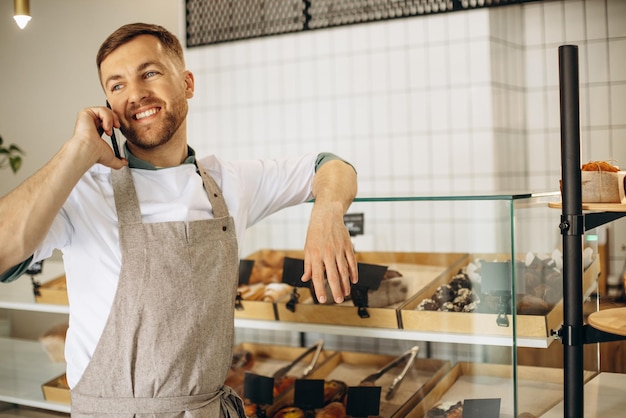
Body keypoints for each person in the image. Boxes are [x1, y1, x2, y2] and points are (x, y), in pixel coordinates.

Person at [0, 23, 358, 417]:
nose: (135, 95)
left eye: (149, 73)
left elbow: (329, 165)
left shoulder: (228, 180)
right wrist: (78, 150)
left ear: (187, 83)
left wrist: (327, 213)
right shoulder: (83, 192)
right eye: (117, 85)